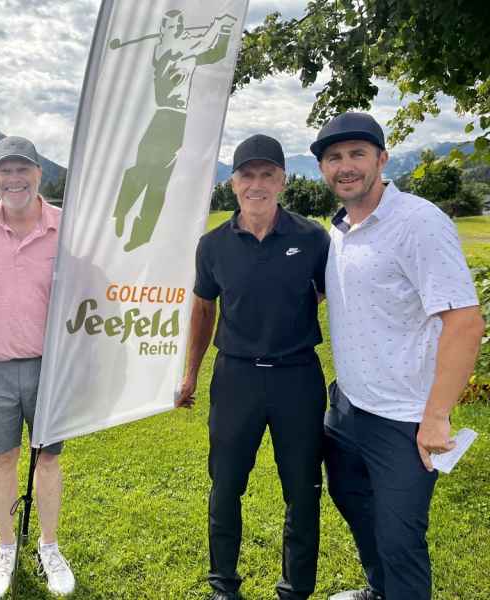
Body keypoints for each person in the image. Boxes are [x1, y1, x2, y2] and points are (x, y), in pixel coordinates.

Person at [313, 112, 485, 600]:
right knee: (353, 504)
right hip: (347, 406)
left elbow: (465, 322)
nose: (346, 166)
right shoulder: (340, 228)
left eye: (357, 154)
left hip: (405, 419)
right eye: (334, 157)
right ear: (323, 169)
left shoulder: (418, 222)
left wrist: (436, 417)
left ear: (382, 159)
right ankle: (377, 590)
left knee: (399, 540)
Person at [177, 134, 330, 600]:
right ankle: (223, 585)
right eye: (247, 175)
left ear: (283, 180)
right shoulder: (212, 245)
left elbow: (329, 294)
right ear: (233, 183)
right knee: (225, 485)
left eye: (268, 174)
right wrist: (191, 373)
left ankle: (296, 590)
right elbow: (204, 309)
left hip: (297, 377)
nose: (257, 184)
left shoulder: (312, 239)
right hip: (236, 377)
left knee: (302, 489)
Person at [0, 136, 75, 598]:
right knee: (2, 459)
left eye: (22, 169)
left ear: (39, 174)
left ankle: (49, 545)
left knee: (49, 457)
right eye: (4, 170)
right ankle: (6, 546)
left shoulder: (66, 225)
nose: (14, 179)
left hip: (50, 365)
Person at [111, 9, 237, 251]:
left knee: (159, 183)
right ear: (164, 31)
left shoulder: (186, 53)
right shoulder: (164, 50)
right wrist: (218, 24)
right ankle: (121, 212)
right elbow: (198, 45)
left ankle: (141, 234)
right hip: (161, 117)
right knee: (141, 170)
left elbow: (216, 53)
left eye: (179, 26)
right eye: (172, 27)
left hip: (179, 121)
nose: (177, 30)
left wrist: (224, 31)